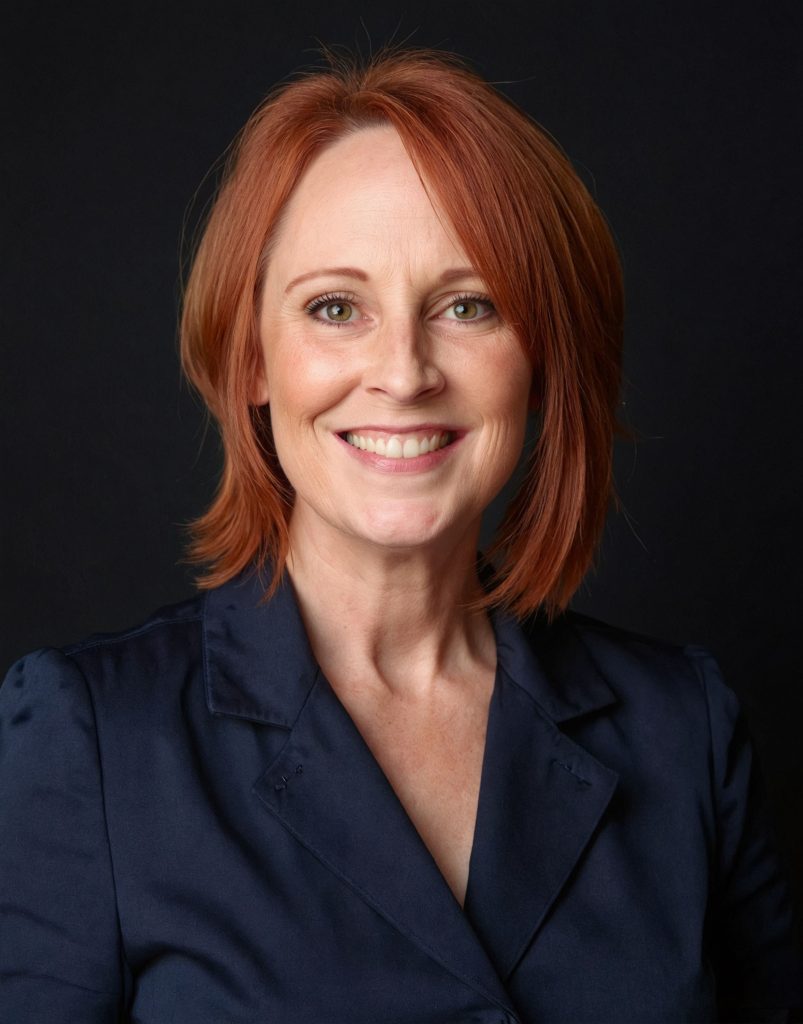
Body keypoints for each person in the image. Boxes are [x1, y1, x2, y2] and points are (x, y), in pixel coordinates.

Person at [0, 48, 800, 1024]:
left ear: (543, 361)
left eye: (467, 306)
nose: (404, 371)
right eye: (335, 308)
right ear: (251, 358)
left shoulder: (684, 730)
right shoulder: (92, 738)